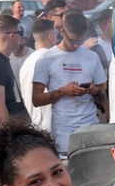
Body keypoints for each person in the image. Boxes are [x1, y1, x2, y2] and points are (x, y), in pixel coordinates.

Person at [30, 10, 106, 156]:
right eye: (73, 41)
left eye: (80, 41)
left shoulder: (92, 57)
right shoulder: (46, 59)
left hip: (90, 130)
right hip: (63, 135)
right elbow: (36, 99)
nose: (77, 45)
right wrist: (63, 91)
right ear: (62, 31)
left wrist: (93, 91)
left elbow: (102, 97)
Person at [19, 18, 58, 131]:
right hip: (51, 126)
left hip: (34, 125)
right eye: (55, 34)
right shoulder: (52, 59)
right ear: (50, 37)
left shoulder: (27, 61)